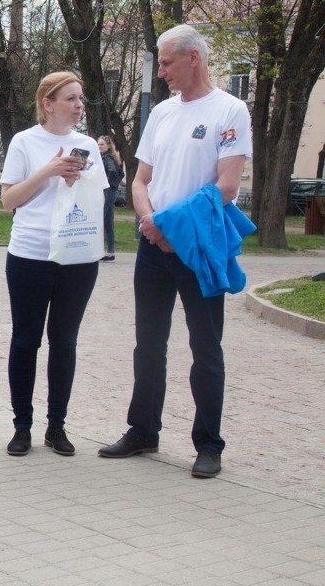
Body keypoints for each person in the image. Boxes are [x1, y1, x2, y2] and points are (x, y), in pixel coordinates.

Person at [98, 25, 251, 479]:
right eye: (161, 63)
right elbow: (140, 180)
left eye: (167, 62)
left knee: (205, 347)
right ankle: (143, 430)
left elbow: (225, 186)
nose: (160, 71)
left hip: (198, 247)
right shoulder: (162, 113)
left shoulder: (230, 109)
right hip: (153, 247)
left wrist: (168, 226)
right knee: (148, 345)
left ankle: (208, 445)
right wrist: (150, 222)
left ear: (193, 59)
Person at [0, 71, 106, 457]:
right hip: (29, 255)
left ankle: (56, 426)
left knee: (64, 341)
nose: (79, 106)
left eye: (81, 99)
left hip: (76, 257)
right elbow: (9, 201)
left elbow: (97, 198)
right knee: (26, 340)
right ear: (48, 103)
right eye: (71, 99)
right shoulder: (24, 142)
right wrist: (48, 171)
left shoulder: (87, 144)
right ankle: (21, 426)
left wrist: (77, 180)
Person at [98, 135, 124, 262]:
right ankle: (110, 252)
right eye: (98, 144)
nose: (99, 146)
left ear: (108, 146)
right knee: (108, 223)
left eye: (101, 144)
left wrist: (107, 184)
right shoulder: (112, 157)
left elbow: (113, 171)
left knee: (98, 220)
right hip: (111, 192)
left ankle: (97, 251)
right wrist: (114, 185)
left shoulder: (107, 157)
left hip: (107, 192)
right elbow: (121, 173)